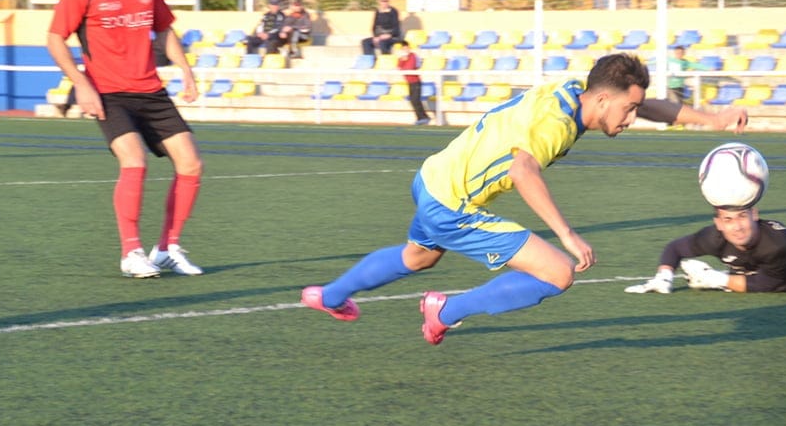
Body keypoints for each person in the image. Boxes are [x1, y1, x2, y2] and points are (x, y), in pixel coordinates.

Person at [300, 53, 744, 345]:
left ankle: (331, 295)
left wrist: (714, 119)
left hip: (434, 175)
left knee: (418, 257)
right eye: (627, 110)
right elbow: (523, 170)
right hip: (454, 204)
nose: (631, 118)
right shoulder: (558, 125)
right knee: (557, 272)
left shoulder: (575, 90)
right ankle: (444, 309)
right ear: (604, 99)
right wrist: (567, 234)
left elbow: (651, 106)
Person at [47, 0, 205, 279]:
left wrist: (186, 71)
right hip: (109, 92)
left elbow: (163, 30)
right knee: (134, 161)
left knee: (192, 164)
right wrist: (80, 84)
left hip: (151, 91)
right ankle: (131, 251)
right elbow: (55, 38)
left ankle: (167, 249)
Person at [624, 206, 786, 293]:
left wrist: (717, 279)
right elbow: (676, 247)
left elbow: (768, 284)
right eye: (728, 220)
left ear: (755, 216)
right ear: (719, 223)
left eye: (742, 217)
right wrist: (664, 276)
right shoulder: (714, 237)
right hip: (783, 278)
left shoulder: (777, 243)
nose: (736, 227)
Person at [395, 40, 430, 126]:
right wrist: (403, 60)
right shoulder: (402, 58)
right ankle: (422, 118)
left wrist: (404, 62)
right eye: (403, 49)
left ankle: (423, 117)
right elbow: (398, 67)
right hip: (409, 82)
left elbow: (410, 67)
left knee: (415, 100)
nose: (405, 50)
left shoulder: (413, 56)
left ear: (409, 48)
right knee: (413, 100)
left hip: (416, 82)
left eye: (406, 48)